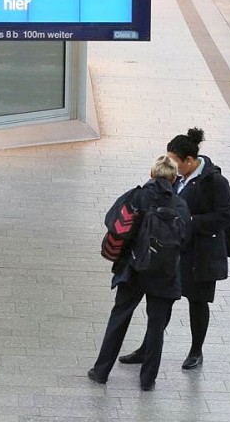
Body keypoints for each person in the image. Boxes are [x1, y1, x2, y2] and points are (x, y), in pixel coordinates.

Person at [119, 128, 230, 370]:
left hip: (202, 254)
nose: (171, 165)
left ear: (189, 161)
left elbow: (224, 217)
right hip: (174, 251)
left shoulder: (215, 181)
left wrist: (191, 221)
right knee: (162, 302)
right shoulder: (178, 178)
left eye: (175, 161)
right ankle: (147, 348)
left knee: (197, 302)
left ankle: (196, 351)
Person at [88, 156, 191, 391]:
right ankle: (147, 381)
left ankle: (101, 371)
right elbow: (185, 239)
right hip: (165, 275)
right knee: (156, 328)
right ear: (174, 178)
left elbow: (113, 222)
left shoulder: (137, 196)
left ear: (152, 173)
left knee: (120, 318)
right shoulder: (180, 204)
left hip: (134, 269)